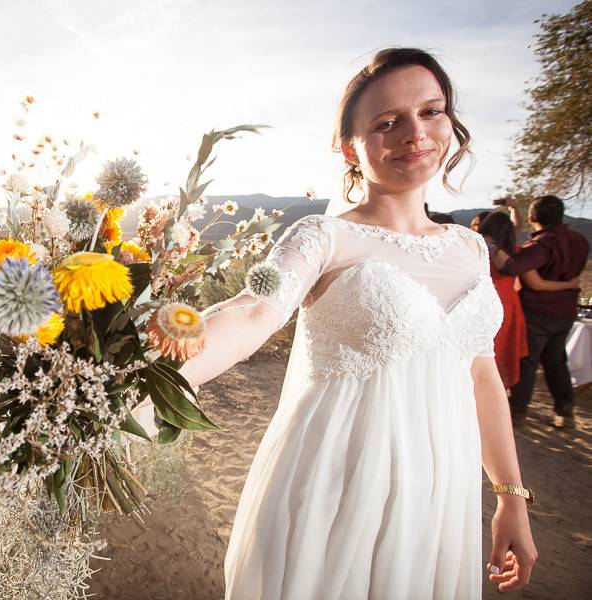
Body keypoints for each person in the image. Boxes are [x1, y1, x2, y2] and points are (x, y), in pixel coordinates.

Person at [178, 48, 536, 598]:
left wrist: (510, 496)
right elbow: (252, 312)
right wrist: (141, 379)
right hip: (337, 478)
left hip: (440, 492)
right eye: (387, 122)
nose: (414, 134)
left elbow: (481, 373)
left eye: (431, 111)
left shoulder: (469, 248)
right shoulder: (322, 238)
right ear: (349, 147)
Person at [489, 195, 589, 429]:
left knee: (528, 361)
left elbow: (513, 267)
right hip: (565, 312)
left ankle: (517, 412)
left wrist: (492, 244)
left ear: (534, 217)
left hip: (538, 312)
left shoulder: (543, 245)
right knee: (556, 362)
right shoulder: (580, 241)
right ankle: (565, 410)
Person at [477, 211, 577, 391]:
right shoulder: (516, 254)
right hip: (507, 306)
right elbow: (537, 284)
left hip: (478, 303)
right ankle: (496, 392)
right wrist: (568, 284)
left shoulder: (475, 250)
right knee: (500, 351)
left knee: (480, 351)